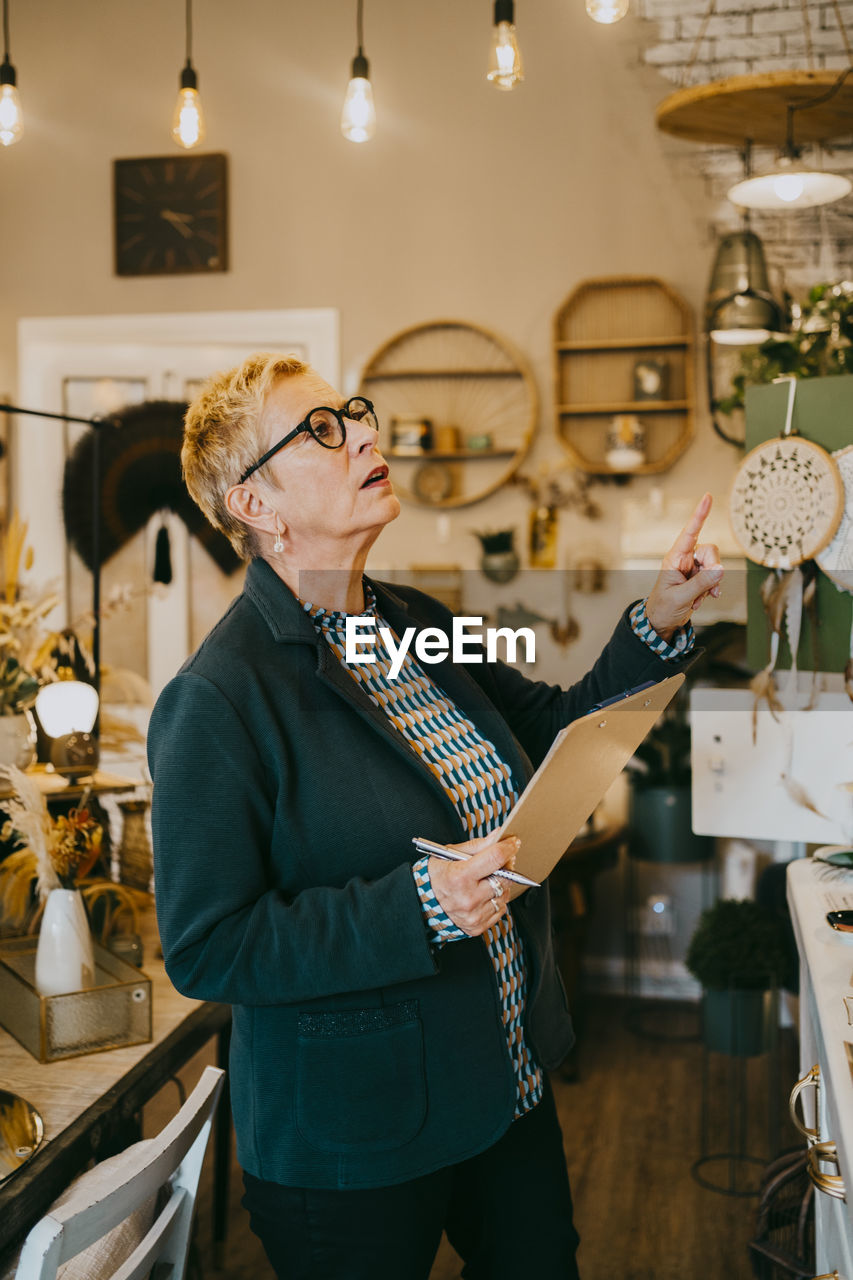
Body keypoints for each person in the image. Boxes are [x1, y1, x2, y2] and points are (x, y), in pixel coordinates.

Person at [148, 351, 724, 1280]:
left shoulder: (411, 616)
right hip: (356, 1139)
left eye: (355, 415)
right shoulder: (216, 698)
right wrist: (418, 905)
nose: (367, 435)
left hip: (504, 1080)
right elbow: (209, 945)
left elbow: (543, 724)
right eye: (323, 431)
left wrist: (654, 622)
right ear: (254, 505)